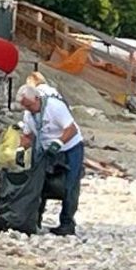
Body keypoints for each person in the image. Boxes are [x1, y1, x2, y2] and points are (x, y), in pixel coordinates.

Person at [17, 85, 84, 236]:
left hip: (70, 148)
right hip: (46, 150)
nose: (28, 109)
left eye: (29, 105)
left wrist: (59, 143)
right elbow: (28, 135)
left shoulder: (54, 107)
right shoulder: (29, 114)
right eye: (25, 106)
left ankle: (67, 223)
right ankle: (35, 219)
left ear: (36, 98)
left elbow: (71, 129)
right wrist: (21, 150)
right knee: (40, 183)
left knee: (69, 185)